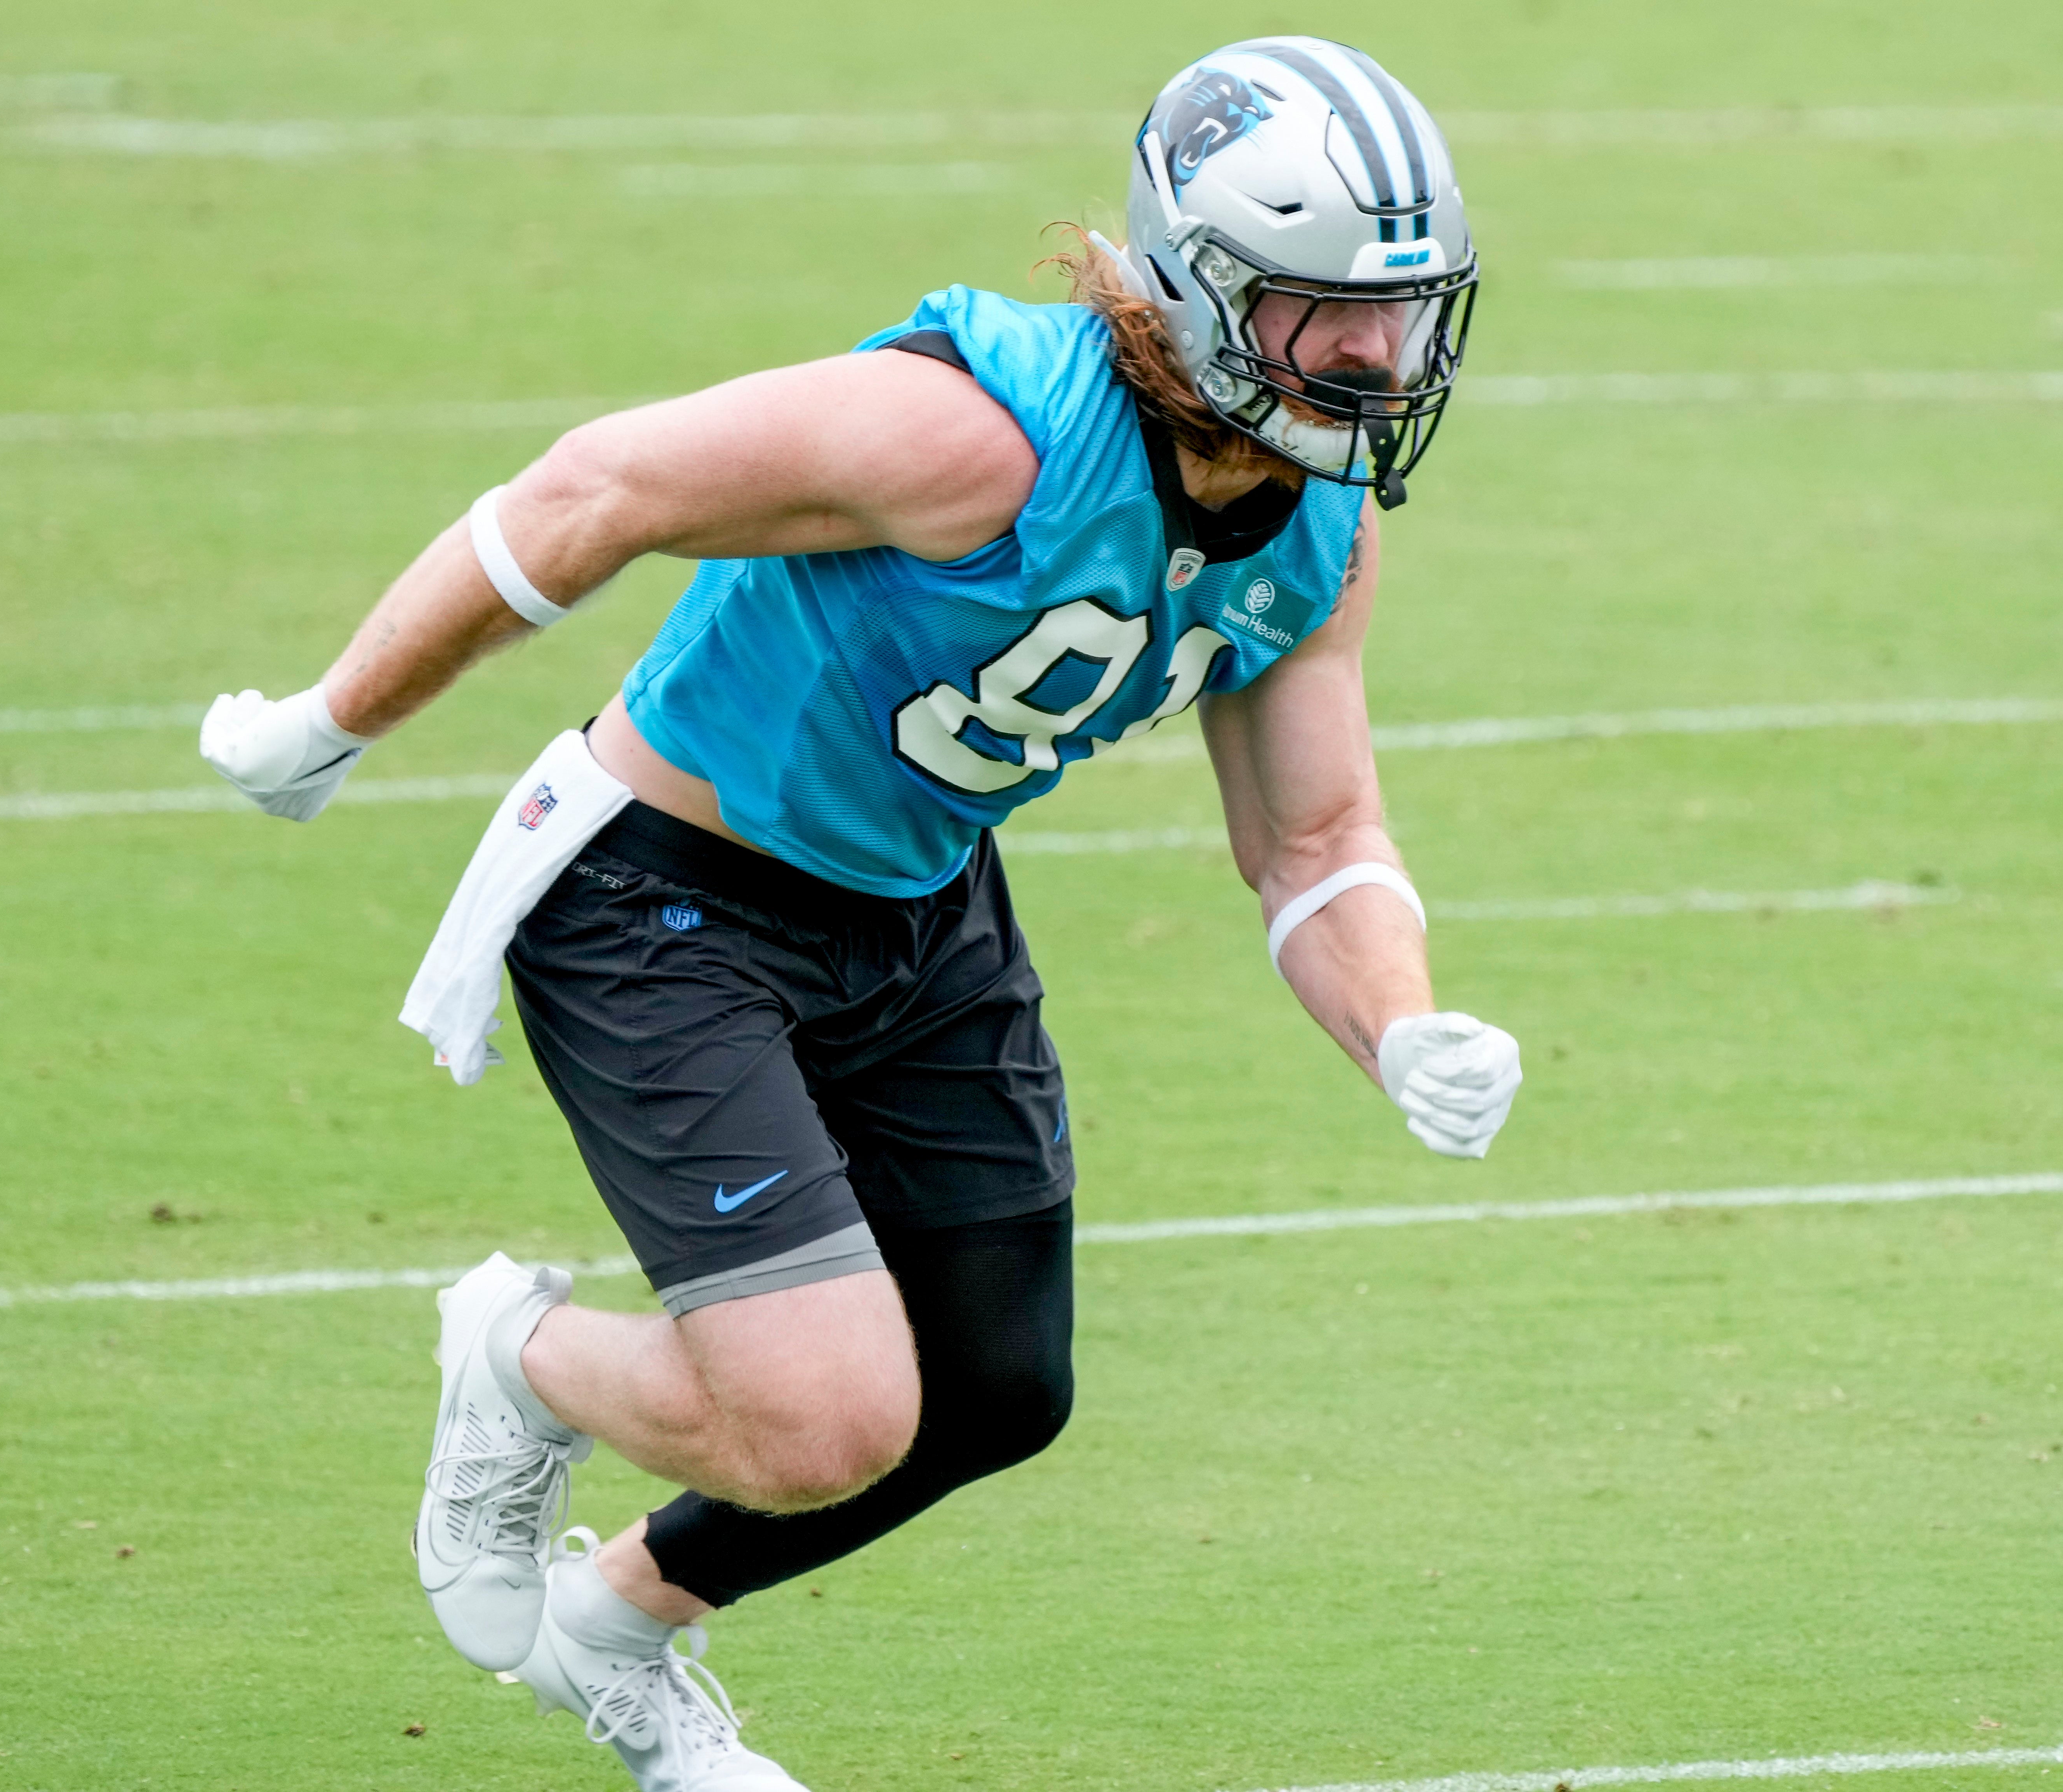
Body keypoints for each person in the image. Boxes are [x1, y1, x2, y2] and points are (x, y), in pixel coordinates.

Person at [200, 37, 1523, 1792]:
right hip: (666, 901)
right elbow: (599, 489)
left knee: (996, 1382)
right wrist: (331, 717)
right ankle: (517, 1356)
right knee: (829, 1416)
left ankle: (618, 1624)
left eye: (1404, 312)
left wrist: (1402, 1016)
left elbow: (1319, 833)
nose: (1379, 357)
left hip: (916, 897)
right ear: (1204, 291)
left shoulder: (1320, 524)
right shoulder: (974, 433)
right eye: (1325, 311)